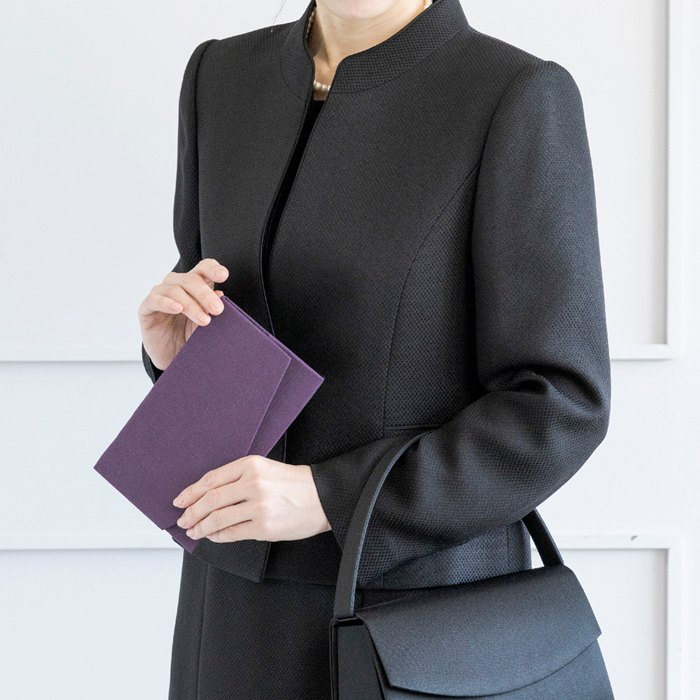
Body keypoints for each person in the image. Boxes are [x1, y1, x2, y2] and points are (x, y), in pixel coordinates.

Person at [138, 0, 612, 697]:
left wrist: (330, 497)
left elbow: (560, 405)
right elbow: (227, 305)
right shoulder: (221, 76)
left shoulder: (513, 94)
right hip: (230, 611)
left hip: (417, 621)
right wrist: (178, 357)